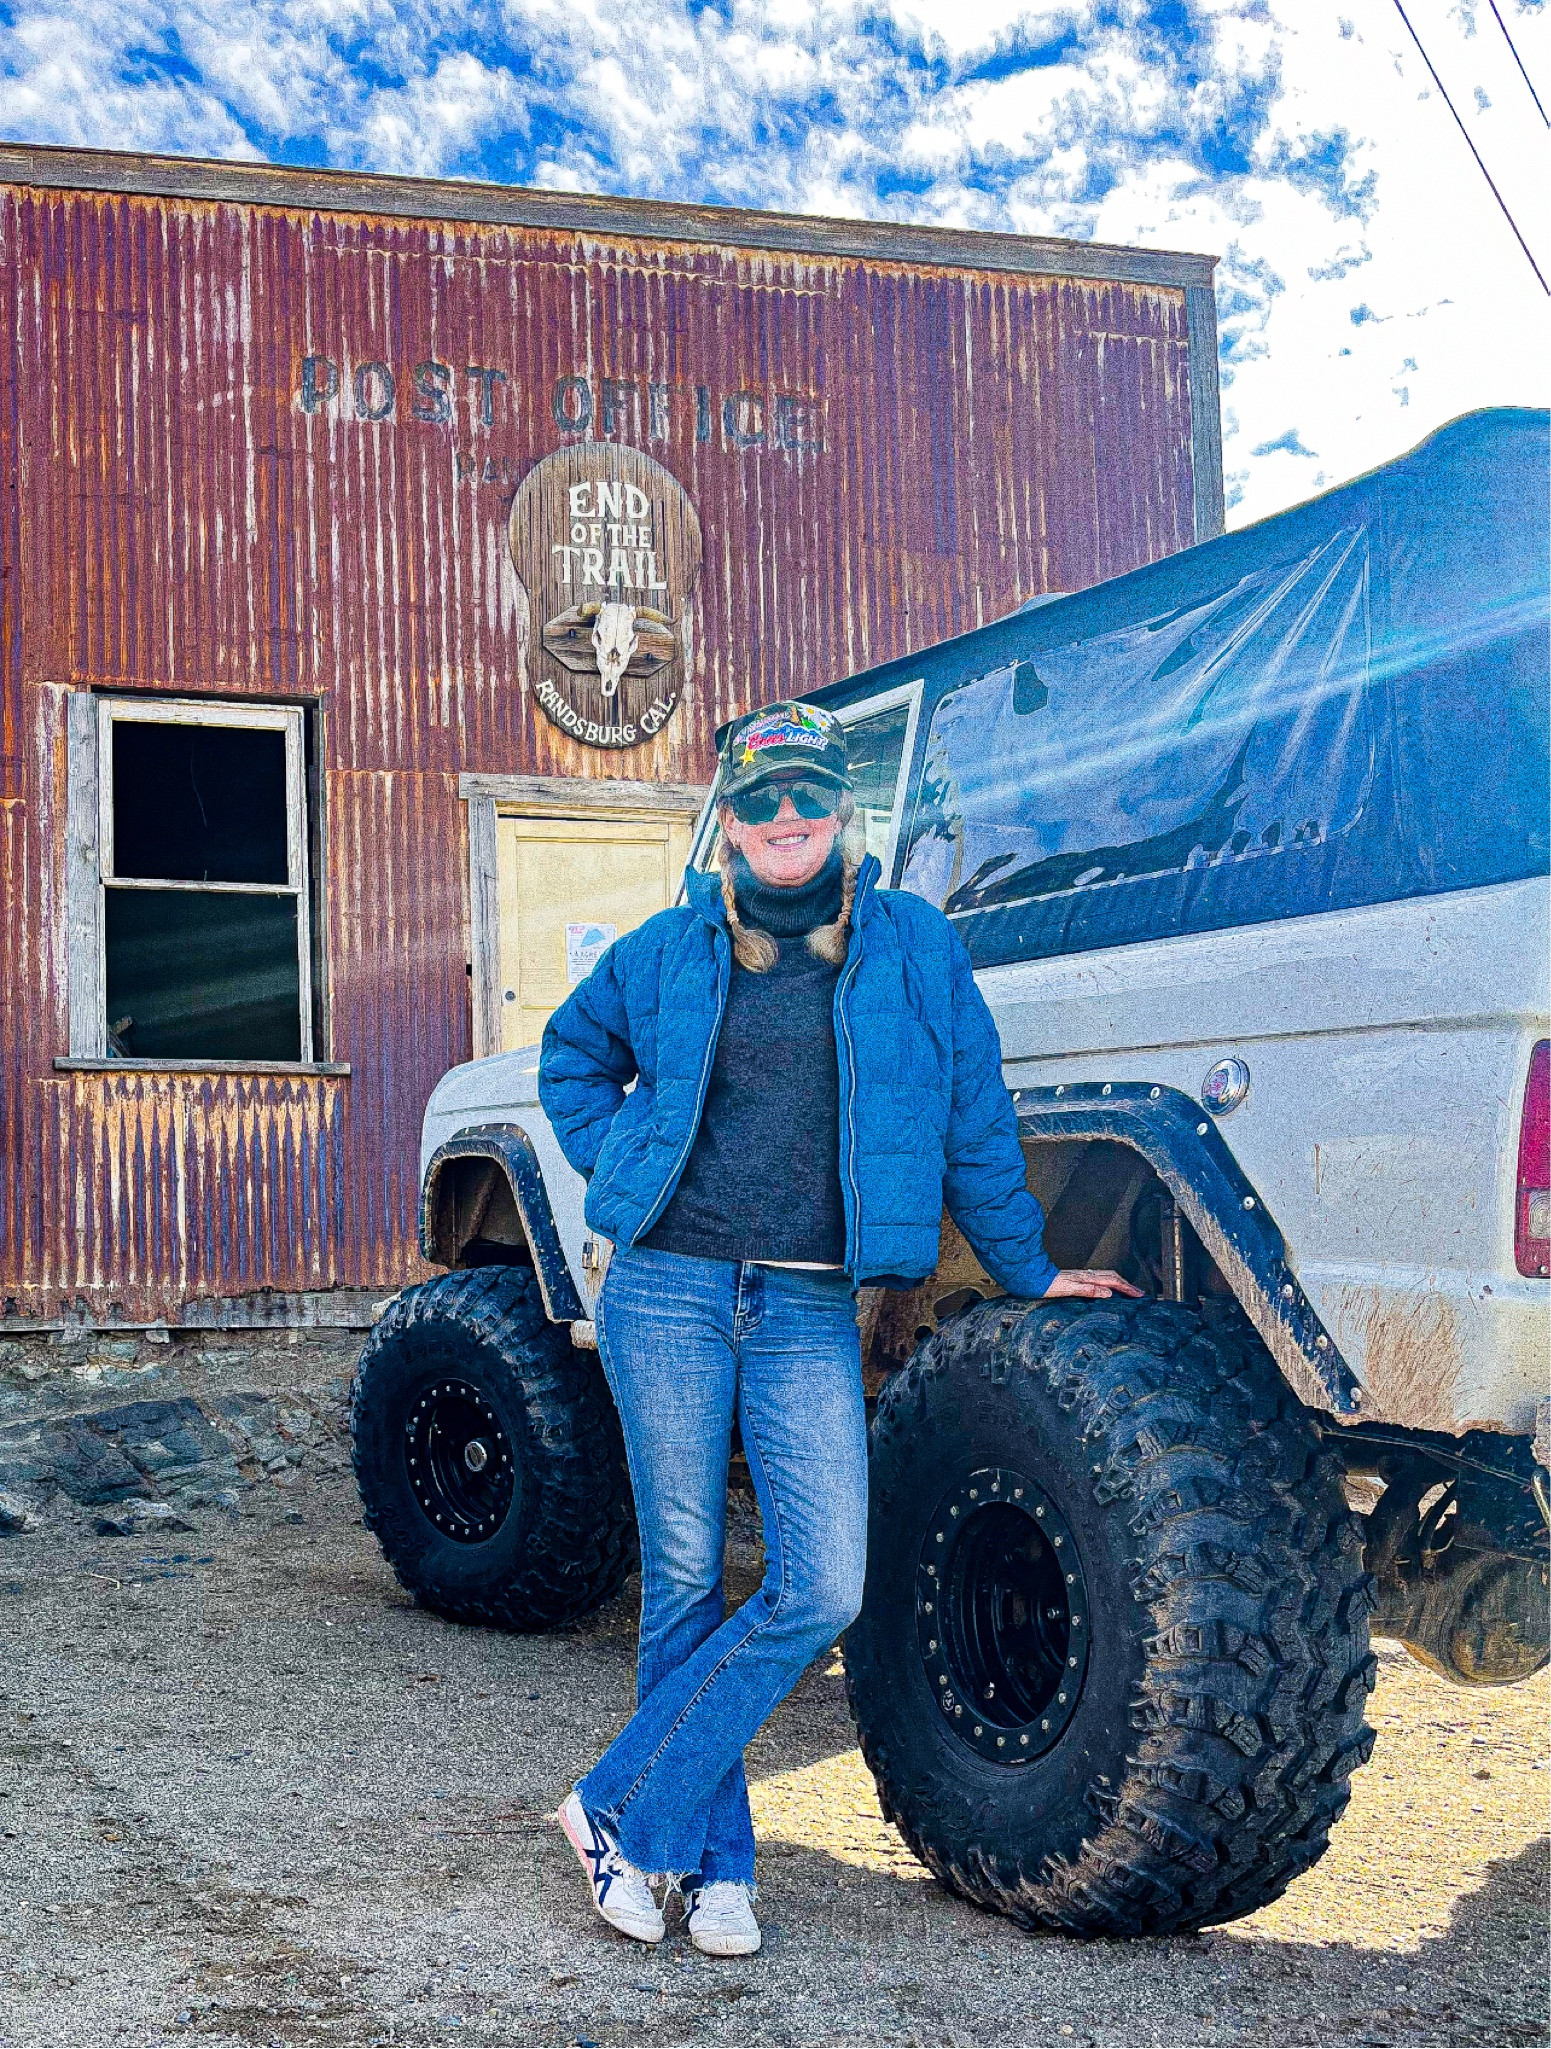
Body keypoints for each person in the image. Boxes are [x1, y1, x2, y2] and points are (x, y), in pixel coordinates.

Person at [537, 699, 1139, 1958]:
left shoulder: (915, 947)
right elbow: (569, 1059)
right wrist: (624, 1172)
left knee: (821, 1583)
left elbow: (976, 1120)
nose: (786, 821)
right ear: (728, 824)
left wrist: (1030, 1270)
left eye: (808, 796)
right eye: (760, 802)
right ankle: (713, 1871)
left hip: (809, 1300)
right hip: (669, 1292)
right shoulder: (664, 950)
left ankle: (615, 1809)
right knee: (689, 1579)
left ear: (845, 809)